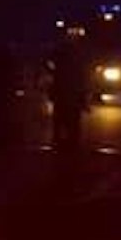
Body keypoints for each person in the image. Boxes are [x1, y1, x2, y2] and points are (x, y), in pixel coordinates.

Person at [46, 25, 90, 172]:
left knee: (66, 119)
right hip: (66, 89)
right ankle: (66, 144)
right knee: (67, 119)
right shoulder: (71, 51)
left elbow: (49, 64)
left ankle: (65, 144)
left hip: (67, 90)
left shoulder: (69, 51)